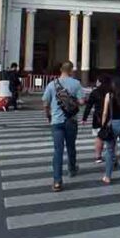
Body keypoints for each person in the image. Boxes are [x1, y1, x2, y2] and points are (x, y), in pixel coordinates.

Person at [42, 61, 84, 192]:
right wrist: (73, 101)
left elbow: (45, 103)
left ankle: (57, 181)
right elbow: (82, 101)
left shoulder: (51, 84)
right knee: (71, 146)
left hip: (56, 121)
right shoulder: (76, 84)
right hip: (71, 120)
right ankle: (72, 169)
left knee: (58, 151)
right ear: (71, 70)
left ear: (61, 70)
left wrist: (48, 115)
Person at [82, 74, 117, 165]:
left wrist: (84, 118)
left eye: (97, 81)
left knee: (99, 137)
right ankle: (112, 156)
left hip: (97, 118)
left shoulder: (95, 92)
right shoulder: (112, 92)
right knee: (111, 138)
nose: (96, 82)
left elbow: (89, 106)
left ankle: (98, 157)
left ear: (100, 82)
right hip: (111, 118)